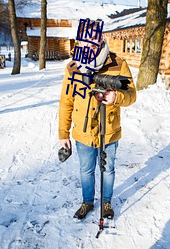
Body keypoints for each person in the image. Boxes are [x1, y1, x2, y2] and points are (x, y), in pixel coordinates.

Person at [58, 19, 136, 220]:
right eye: (85, 40)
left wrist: (116, 97)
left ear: (100, 38)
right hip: (83, 133)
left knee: (108, 169)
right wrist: (63, 134)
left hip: (109, 130)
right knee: (86, 170)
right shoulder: (73, 67)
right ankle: (87, 202)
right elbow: (66, 101)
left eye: (94, 38)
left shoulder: (118, 64)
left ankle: (107, 202)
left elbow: (132, 95)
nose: (90, 44)